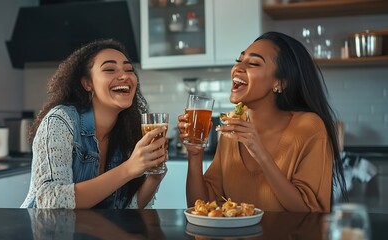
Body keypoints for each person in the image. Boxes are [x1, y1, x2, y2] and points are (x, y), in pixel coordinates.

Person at [177, 31, 348, 213]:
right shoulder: (233, 128)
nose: (238, 68)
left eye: (253, 63)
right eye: (239, 60)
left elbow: (308, 214)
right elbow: (202, 207)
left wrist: (260, 153)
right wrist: (195, 155)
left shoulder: (309, 127)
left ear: (280, 83)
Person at [21, 39, 167, 209]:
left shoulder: (129, 132)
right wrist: (128, 168)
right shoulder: (60, 121)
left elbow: (126, 210)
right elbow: (51, 201)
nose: (125, 76)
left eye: (129, 70)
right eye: (110, 69)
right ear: (87, 83)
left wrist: (154, 177)